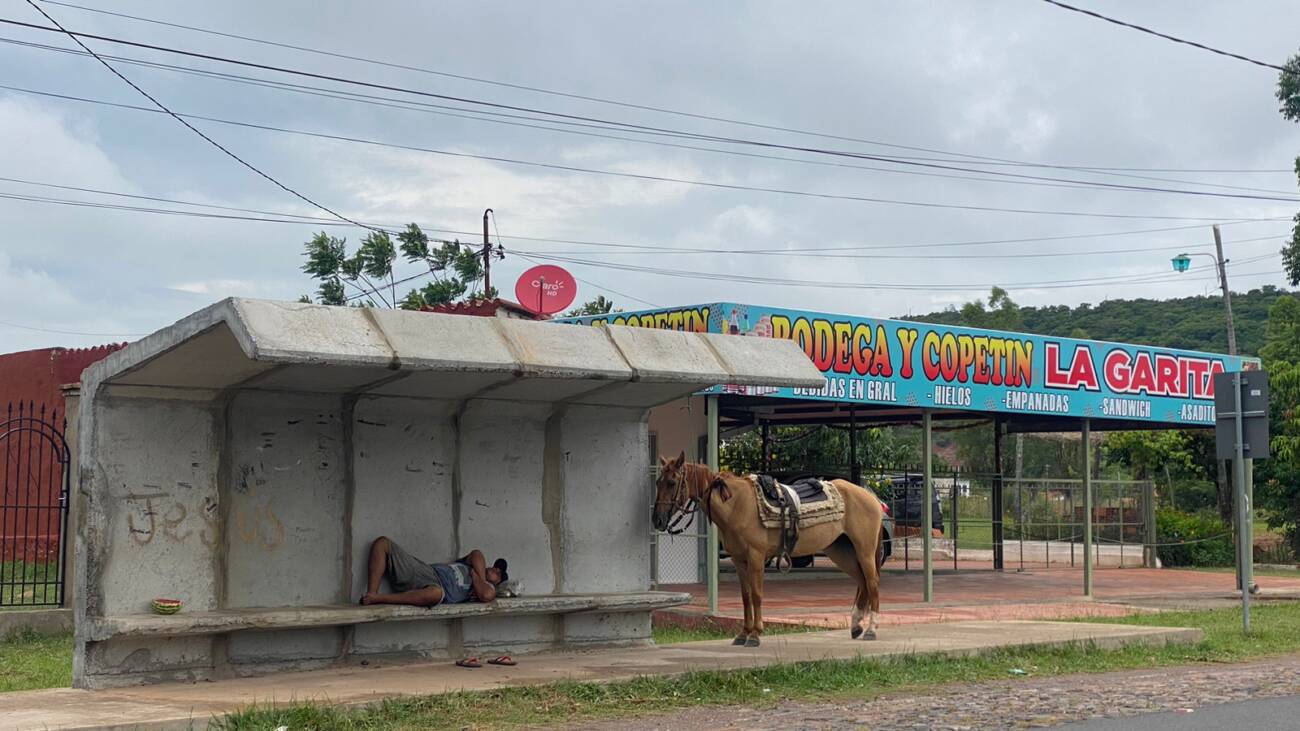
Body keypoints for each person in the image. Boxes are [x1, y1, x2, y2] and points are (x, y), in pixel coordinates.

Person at [360, 536, 508, 607]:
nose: (495, 569)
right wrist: (479, 576)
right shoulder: (476, 565)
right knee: (383, 543)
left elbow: (486, 594)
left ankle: (379, 598)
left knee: (435, 594)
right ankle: (371, 593)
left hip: (437, 589)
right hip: (426, 571)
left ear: (497, 583)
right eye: (495, 567)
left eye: (499, 574)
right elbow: (477, 553)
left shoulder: (489, 589)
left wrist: (476, 579)